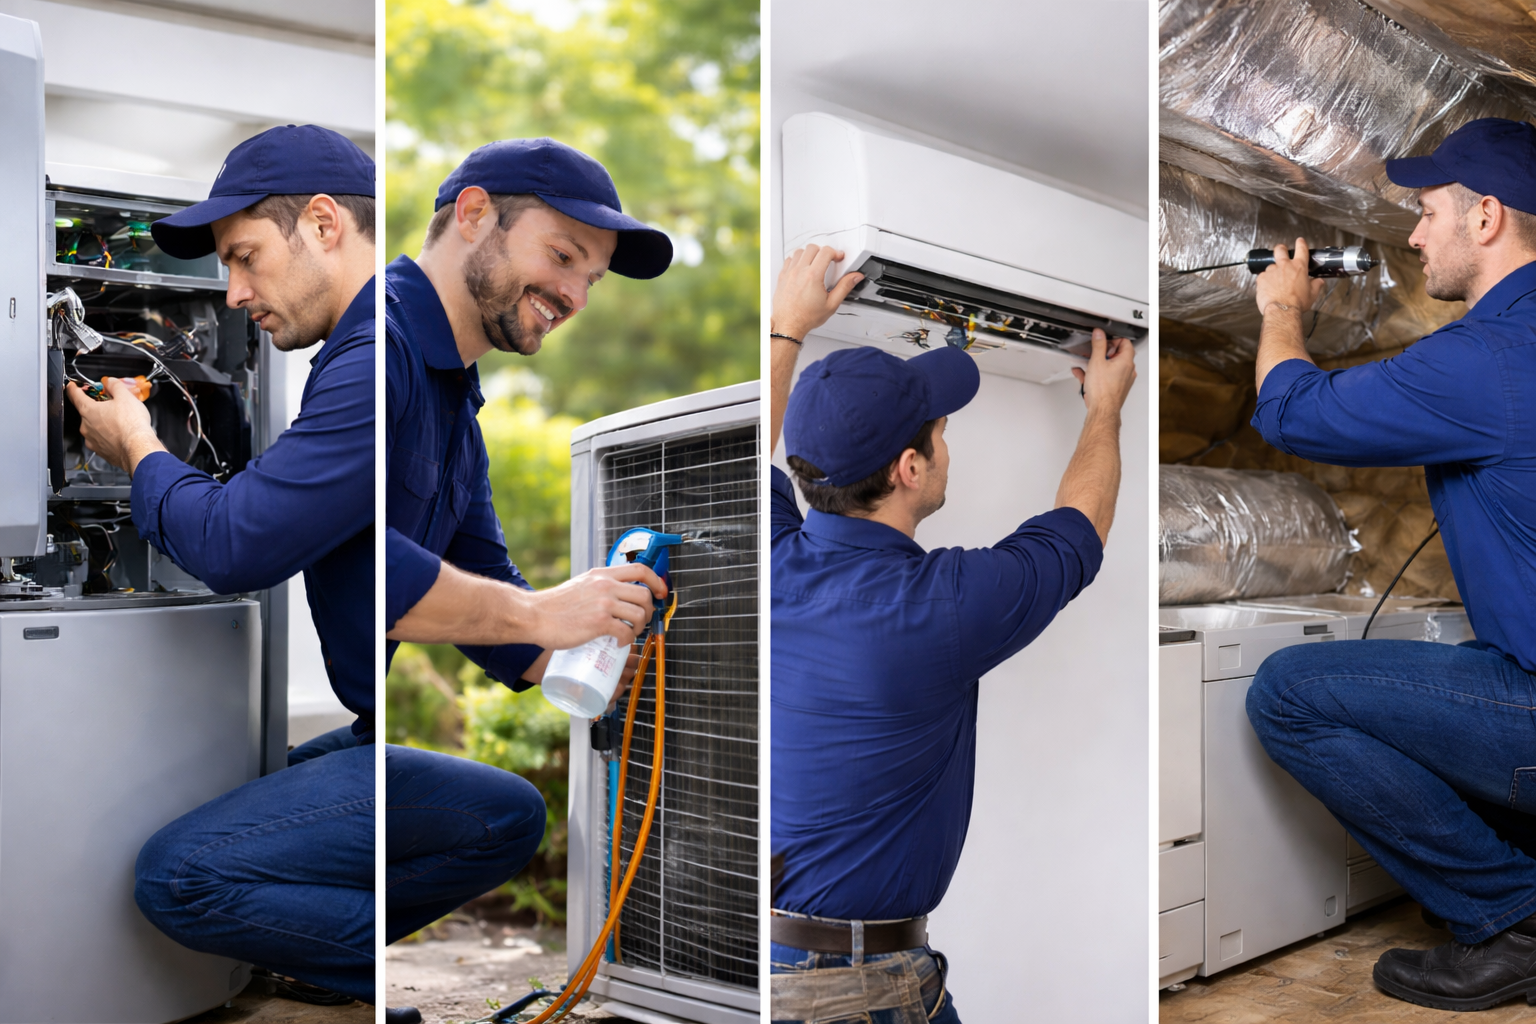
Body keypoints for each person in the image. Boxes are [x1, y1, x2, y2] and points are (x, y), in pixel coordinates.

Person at [768, 244, 1137, 1023]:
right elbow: (1081, 527)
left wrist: (786, 329)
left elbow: (747, 445)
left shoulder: (767, 555)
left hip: (768, 963)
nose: (947, 443)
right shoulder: (938, 607)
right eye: (939, 430)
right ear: (910, 467)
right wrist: (1105, 407)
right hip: (860, 993)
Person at [67, 125, 376, 1002]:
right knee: (258, 776)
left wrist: (134, 445)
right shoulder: (373, 355)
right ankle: (320, 954)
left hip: (394, 730)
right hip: (377, 720)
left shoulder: (370, 364)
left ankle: (359, 970)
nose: (232, 294)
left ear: (323, 224)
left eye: (243, 258)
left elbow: (235, 548)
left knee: (178, 876)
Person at [1244, 117, 1536, 1012]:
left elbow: (1292, 414)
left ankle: (1513, 918)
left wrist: (1282, 311)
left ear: (1484, 217)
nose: (1414, 237)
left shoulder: (1487, 358)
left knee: (1287, 691)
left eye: (1425, 211)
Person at [383, 139, 672, 959]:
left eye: (594, 278)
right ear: (474, 215)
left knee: (502, 814)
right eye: (563, 256)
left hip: (341, 723)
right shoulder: (385, 348)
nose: (577, 294)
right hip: (281, 706)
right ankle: (326, 960)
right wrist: (546, 609)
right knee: (499, 817)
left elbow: (496, 608)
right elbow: (367, 566)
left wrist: (617, 648)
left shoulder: (455, 411)